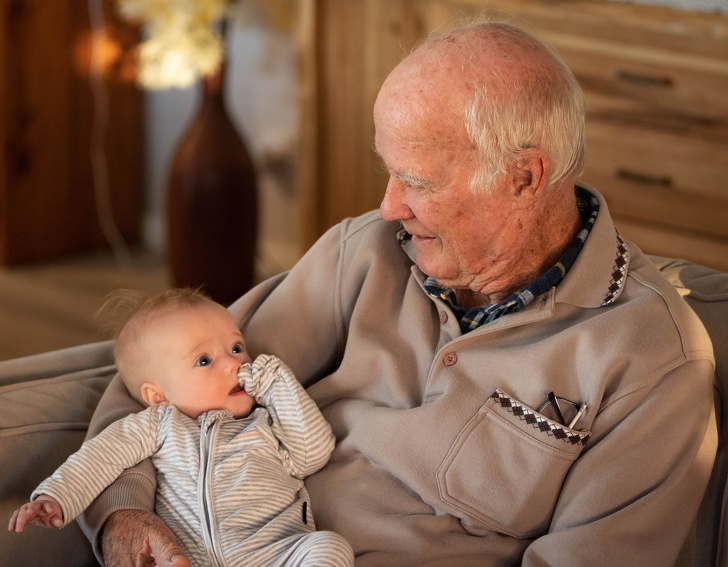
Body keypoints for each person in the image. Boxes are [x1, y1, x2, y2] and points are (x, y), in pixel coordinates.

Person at [81, 17, 716, 567]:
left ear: (525, 176)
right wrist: (123, 517)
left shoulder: (650, 356)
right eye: (388, 170)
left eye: (416, 180)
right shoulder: (364, 251)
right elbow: (164, 373)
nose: (389, 207)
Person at [8, 289, 354, 567]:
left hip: (278, 553)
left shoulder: (265, 422)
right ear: (158, 395)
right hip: (186, 558)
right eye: (204, 361)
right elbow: (99, 459)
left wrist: (279, 383)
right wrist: (56, 497)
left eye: (236, 347)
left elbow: (313, 454)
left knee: (330, 547)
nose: (234, 363)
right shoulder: (159, 425)